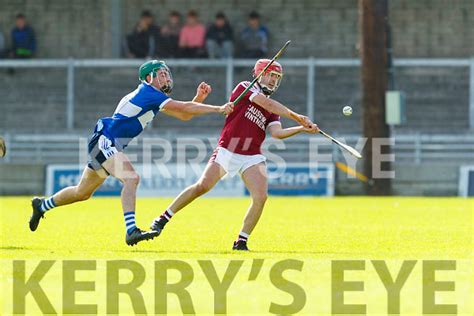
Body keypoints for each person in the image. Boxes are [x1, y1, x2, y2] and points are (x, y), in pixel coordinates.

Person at [29, 60, 234, 246]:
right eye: (160, 74)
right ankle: (131, 231)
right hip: (105, 141)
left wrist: (198, 98)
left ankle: (42, 205)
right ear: (148, 78)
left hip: (105, 143)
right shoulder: (148, 93)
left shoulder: (153, 97)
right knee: (131, 178)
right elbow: (184, 107)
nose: (166, 77)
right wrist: (218, 109)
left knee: (82, 193)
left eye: (166, 73)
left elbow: (184, 115)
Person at [150, 59, 318, 251]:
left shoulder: (273, 112)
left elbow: (277, 133)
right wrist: (298, 116)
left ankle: (241, 241)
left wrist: (301, 128)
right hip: (228, 149)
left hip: (252, 155)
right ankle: (163, 218)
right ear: (259, 74)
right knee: (202, 186)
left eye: (277, 77)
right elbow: (266, 103)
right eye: (271, 75)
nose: (273, 80)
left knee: (261, 197)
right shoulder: (245, 88)